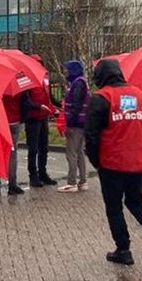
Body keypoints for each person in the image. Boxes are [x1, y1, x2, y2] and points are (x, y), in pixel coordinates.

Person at [84, 59, 142, 266]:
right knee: (135, 201)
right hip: (138, 162)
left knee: (114, 207)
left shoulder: (101, 98)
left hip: (112, 163)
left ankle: (123, 249)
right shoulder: (139, 95)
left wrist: (97, 162)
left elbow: (91, 136)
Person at [58, 60, 91, 193]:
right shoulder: (82, 82)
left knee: (71, 153)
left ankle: (71, 182)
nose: (66, 72)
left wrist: (70, 122)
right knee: (80, 152)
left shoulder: (78, 84)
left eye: (68, 70)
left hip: (76, 123)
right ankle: (83, 181)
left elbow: (76, 104)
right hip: (82, 122)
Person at [21, 80, 57, 187]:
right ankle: (33, 176)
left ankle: (42, 173)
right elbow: (26, 101)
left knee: (44, 148)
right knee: (33, 149)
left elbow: (49, 97)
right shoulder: (27, 82)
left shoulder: (44, 81)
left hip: (43, 117)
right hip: (33, 118)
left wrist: (57, 105)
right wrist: (39, 106)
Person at [0, 93, 25, 196]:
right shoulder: (16, 85)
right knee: (12, 154)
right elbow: (24, 101)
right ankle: (12, 185)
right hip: (14, 120)